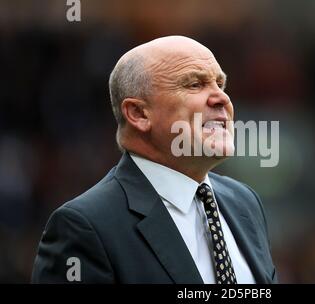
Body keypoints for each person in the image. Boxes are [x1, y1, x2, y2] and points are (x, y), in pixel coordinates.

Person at [31, 36, 277, 284]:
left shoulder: (245, 202)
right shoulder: (84, 227)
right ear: (138, 113)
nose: (221, 98)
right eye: (194, 84)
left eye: (220, 84)